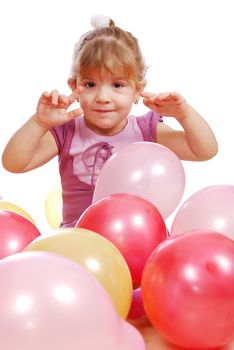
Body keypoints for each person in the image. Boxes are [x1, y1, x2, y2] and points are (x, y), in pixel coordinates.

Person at [2, 14, 218, 228]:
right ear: (73, 86)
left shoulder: (147, 131)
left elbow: (204, 150)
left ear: (137, 90)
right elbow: (14, 163)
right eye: (89, 84)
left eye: (117, 85)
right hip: (79, 244)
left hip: (137, 243)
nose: (103, 97)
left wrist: (184, 114)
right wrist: (39, 123)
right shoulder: (66, 132)